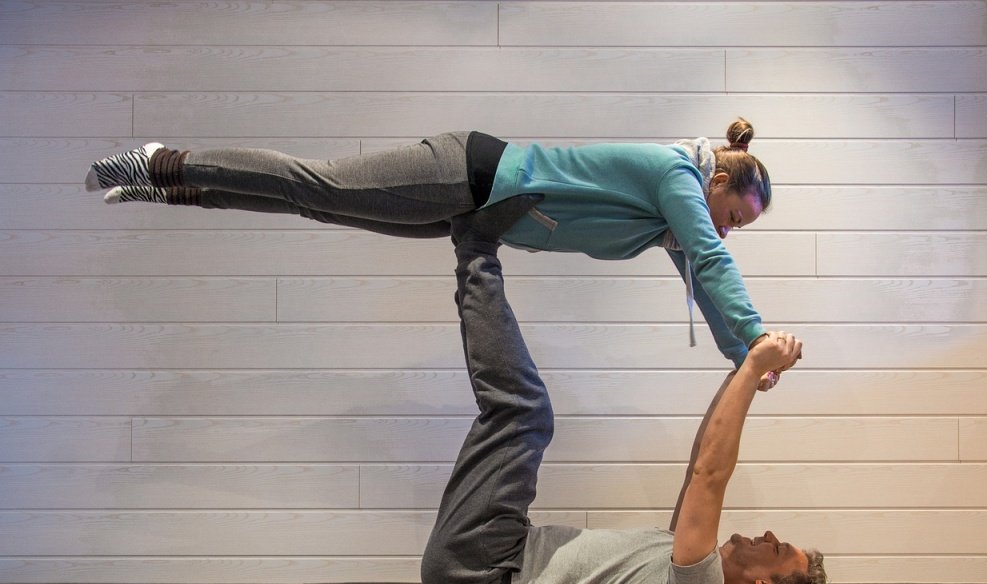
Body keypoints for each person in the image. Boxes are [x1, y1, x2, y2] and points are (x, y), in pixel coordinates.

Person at [85, 120, 777, 380]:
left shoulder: (670, 213)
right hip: (468, 173)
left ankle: (170, 191)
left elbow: (700, 278)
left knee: (318, 205)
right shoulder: (674, 175)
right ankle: (167, 160)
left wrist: (746, 358)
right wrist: (757, 335)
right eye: (733, 216)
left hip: (474, 208)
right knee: (319, 183)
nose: (724, 232)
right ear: (717, 180)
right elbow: (713, 265)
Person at [419, 208, 825, 584]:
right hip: (491, 559)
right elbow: (698, 464)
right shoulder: (685, 564)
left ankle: (476, 247)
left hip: (483, 576)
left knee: (524, 412)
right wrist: (742, 372)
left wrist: (756, 366)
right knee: (522, 412)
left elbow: (711, 475)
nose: (770, 536)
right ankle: (472, 244)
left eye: (776, 550)